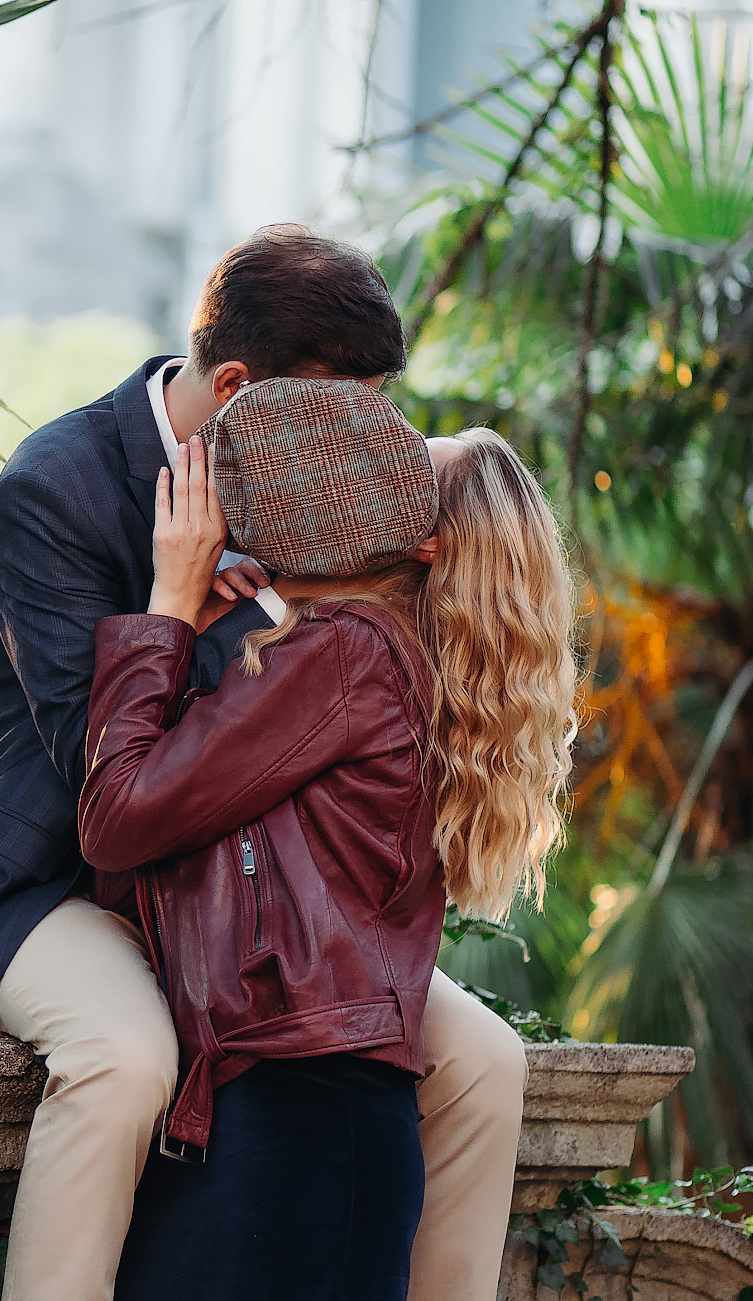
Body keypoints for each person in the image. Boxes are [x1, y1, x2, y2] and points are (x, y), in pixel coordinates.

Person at [0, 225, 531, 1301]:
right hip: (58, 882)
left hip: (232, 889)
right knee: (124, 1059)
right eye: (339, 411)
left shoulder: (305, 492)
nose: (362, 442)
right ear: (236, 385)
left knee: (483, 1059)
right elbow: (96, 765)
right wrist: (170, 606)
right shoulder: (60, 482)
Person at [82, 414, 578, 1299]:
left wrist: (165, 603)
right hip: (308, 1120)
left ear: (425, 539)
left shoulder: (348, 652)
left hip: (295, 1128)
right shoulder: (394, 658)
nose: (368, 468)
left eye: (405, 470)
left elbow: (120, 818)